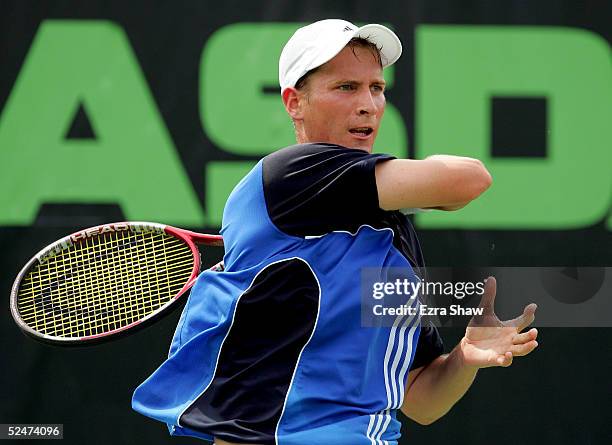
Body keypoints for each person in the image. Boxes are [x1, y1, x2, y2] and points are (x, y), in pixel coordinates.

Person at [132, 19, 539, 445]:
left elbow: (421, 399)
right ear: (295, 103)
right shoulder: (291, 174)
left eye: (377, 88)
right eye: (346, 87)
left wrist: (465, 357)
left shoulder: (393, 241)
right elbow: (469, 180)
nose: (369, 105)